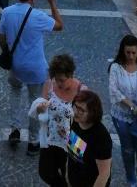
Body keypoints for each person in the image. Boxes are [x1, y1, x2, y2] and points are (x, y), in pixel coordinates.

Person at [0, 0, 64, 155]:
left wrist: (7, 50)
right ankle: (33, 141)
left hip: (16, 65)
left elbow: (1, 37)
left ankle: (15, 129)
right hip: (36, 68)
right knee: (36, 101)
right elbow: (59, 25)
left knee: (15, 92)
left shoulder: (7, 12)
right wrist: (52, 2)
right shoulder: (38, 16)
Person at [29, 54, 83, 185]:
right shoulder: (49, 85)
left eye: (62, 80)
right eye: (56, 79)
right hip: (50, 137)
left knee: (72, 176)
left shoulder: (81, 90)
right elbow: (42, 109)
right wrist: (40, 108)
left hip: (75, 139)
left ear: (71, 74)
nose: (59, 83)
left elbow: (86, 119)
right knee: (45, 172)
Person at [108, 35, 137, 187]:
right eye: (128, 53)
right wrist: (131, 106)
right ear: (123, 51)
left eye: (133, 53)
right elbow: (114, 91)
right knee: (128, 150)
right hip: (121, 116)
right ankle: (131, 180)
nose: (130, 56)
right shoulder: (116, 68)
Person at [67, 89, 112, 187]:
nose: (76, 112)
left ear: (92, 113)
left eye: (81, 110)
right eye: (76, 106)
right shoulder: (75, 122)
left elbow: (104, 173)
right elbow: (73, 154)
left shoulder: (101, 136)